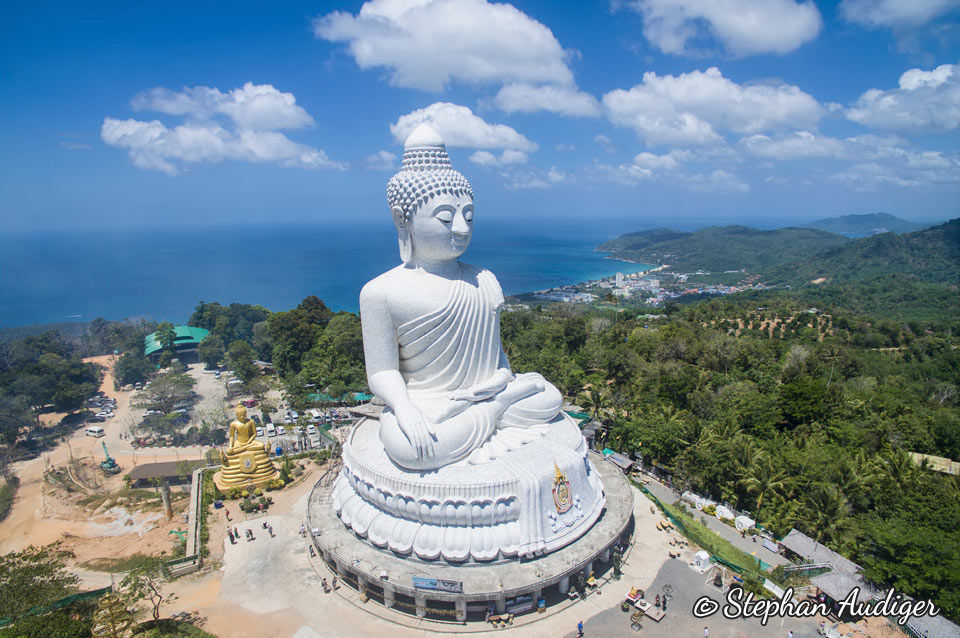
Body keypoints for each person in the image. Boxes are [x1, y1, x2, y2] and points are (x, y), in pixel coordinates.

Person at [359, 123, 563, 472]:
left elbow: (498, 356)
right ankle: (496, 411)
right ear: (401, 219)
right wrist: (405, 409)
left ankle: (495, 409)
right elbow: (381, 371)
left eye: (468, 216)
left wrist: (499, 383)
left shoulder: (484, 279)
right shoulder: (380, 292)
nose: (462, 228)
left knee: (551, 398)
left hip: (486, 394)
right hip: (427, 402)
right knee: (409, 447)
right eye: (445, 217)